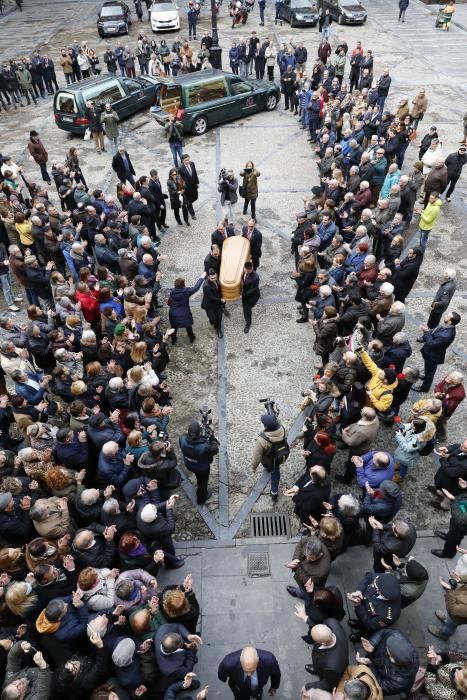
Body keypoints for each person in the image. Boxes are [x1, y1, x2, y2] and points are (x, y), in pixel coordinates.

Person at [359, 629, 419, 696]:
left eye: (389, 653)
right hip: (374, 659)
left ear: (393, 660)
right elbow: (383, 633)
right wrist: (373, 643)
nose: (385, 649)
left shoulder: (399, 682)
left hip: (377, 675)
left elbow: (380, 684)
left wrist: (370, 665)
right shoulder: (396, 636)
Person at [414, 311, 461, 393]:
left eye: (447, 316)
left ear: (450, 322)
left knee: (430, 372)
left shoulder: (445, 335)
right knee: (428, 369)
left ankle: (424, 388)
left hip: (433, 356)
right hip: (431, 353)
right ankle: (426, 377)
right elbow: (433, 333)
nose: (445, 315)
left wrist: (425, 332)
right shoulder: (447, 326)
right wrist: (428, 330)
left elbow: (431, 343)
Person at [179, 420, 219, 504]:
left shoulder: (182, 439)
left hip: (189, 464)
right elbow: (215, 449)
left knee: (198, 477)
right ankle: (201, 498)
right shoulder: (204, 446)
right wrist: (212, 437)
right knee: (202, 483)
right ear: (199, 434)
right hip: (202, 468)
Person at [251, 413, 289, 502]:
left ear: (265, 426)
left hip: (268, 460)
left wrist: (254, 467)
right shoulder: (282, 428)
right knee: (276, 472)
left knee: (270, 469)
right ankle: (274, 493)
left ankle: (268, 470)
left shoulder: (262, 440)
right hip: (280, 456)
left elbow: (257, 456)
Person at [305, 620, 349, 687]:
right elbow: (320, 629)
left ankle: (318, 671)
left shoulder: (331, 666)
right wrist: (306, 619)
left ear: (323, 643)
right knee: (318, 667)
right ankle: (317, 668)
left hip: (327, 671)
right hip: (328, 662)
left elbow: (328, 683)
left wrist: (307, 687)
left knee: (323, 674)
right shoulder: (332, 622)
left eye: (314, 639)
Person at [431, 481, 467, 558]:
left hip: (462, 524)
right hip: (461, 511)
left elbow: (462, 518)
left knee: (454, 539)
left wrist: (454, 500)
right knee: (453, 528)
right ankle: (448, 536)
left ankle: (448, 553)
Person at [168, 273, 206, 344]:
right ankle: (192, 338)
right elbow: (196, 287)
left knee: (173, 328)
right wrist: (202, 277)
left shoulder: (172, 292)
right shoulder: (186, 292)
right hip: (184, 314)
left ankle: (173, 340)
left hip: (173, 314)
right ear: (183, 285)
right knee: (188, 327)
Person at [433, 371, 465, 441]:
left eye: (449, 379)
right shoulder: (448, 378)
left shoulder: (459, 394)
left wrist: (444, 398)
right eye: (448, 377)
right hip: (438, 403)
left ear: (455, 383)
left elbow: (450, 407)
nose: (446, 379)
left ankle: (442, 437)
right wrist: (437, 392)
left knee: (441, 423)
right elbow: (438, 386)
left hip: (445, 412)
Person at [201, 269, 224, 338]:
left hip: (217, 304)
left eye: (215, 277)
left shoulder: (216, 279)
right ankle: (212, 321)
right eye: (212, 278)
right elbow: (211, 297)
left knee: (219, 318)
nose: (214, 279)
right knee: (213, 318)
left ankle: (218, 329)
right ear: (208, 277)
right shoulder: (206, 286)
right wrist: (221, 300)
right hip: (210, 305)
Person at [241, 261, 260, 333]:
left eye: (248, 271)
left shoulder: (255, 278)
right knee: (245, 309)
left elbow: (252, 290)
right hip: (245, 293)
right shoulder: (244, 272)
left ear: (251, 269)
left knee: (247, 311)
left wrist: (242, 295)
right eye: (245, 270)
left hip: (250, 297)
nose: (246, 272)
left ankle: (248, 324)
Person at [179, 154, 198, 220]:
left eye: (188, 159)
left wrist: (197, 182)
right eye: (186, 160)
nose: (188, 161)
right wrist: (182, 188)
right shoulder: (180, 168)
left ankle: (189, 204)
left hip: (193, 185)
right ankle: (192, 213)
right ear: (182, 161)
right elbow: (180, 179)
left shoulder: (192, 164)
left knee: (196, 197)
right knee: (189, 201)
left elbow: (195, 173)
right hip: (187, 188)